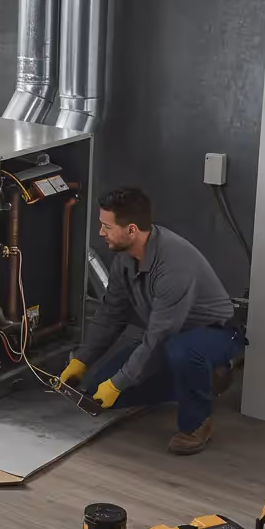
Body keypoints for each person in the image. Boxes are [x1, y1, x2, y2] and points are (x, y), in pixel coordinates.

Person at [58, 188, 244, 455]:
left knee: (180, 351)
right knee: (97, 389)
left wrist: (120, 382)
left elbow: (159, 337)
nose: (101, 233)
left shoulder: (173, 267)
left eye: (106, 226)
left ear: (131, 230)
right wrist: (82, 359)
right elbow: (112, 314)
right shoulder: (125, 258)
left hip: (216, 335)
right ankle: (199, 380)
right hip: (169, 337)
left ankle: (197, 422)